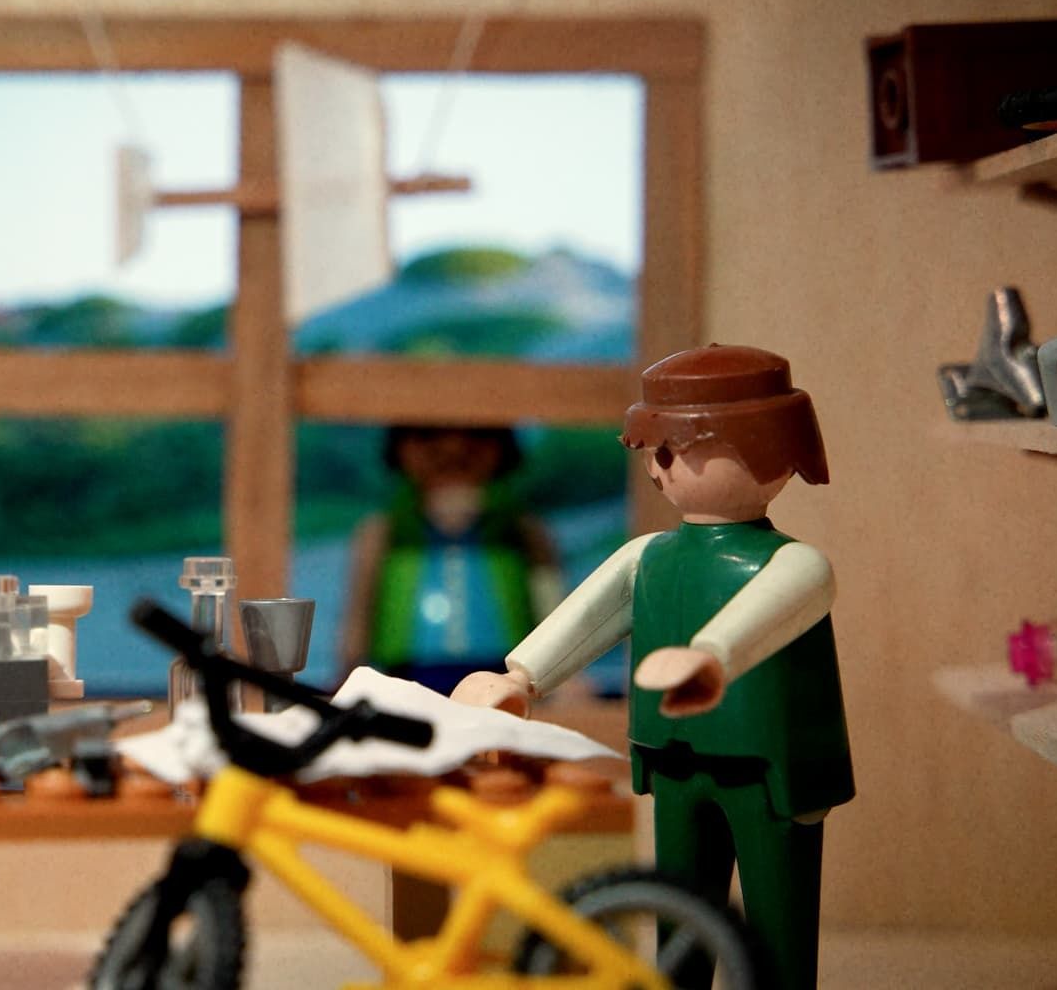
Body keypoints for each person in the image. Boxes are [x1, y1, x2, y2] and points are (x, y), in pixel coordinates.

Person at [452, 345, 852, 990]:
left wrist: (711, 656)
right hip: (674, 758)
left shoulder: (794, 563)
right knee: (678, 909)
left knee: (777, 920)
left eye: (678, 448)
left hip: (768, 765)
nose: (660, 465)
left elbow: (768, 613)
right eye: (652, 449)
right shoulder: (649, 556)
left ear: (771, 450)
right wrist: (521, 678)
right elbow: (587, 616)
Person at [341, 425, 563, 695]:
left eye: (477, 434)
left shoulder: (523, 531)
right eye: (427, 435)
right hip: (407, 679)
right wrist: (348, 673)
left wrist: (564, 676)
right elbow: (359, 616)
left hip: (506, 681)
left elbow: (552, 608)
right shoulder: (383, 532)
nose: (453, 448)